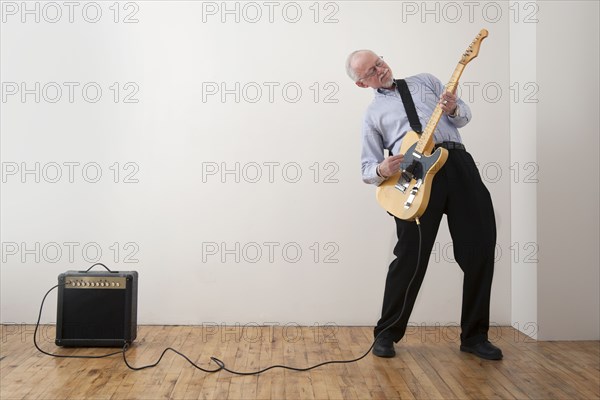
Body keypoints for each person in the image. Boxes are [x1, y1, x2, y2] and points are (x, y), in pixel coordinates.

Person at [346, 49, 502, 360]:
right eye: (371, 72)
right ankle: (386, 334)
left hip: (456, 162)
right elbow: (367, 168)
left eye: (379, 62)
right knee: (410, 257)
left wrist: (454, 106)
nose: (380, 70)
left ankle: (474, 336)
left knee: (480, 248)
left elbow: (464, 118)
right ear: (362, 84)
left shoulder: (425, 82)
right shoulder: (373, 115)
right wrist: (383, 169)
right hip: (414, 179)